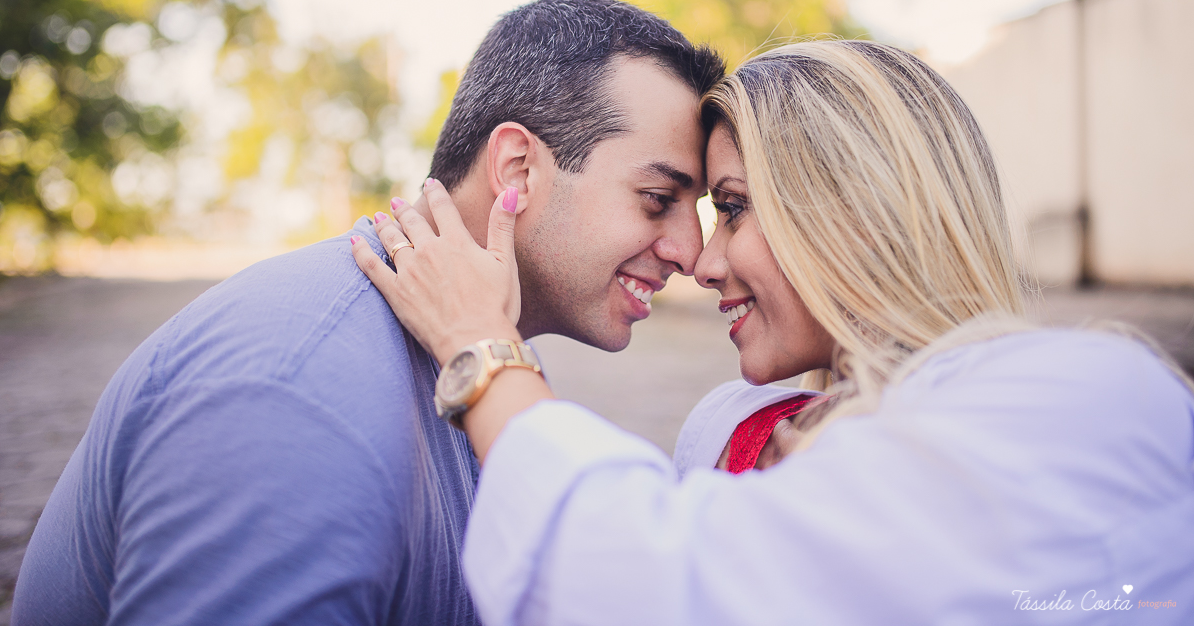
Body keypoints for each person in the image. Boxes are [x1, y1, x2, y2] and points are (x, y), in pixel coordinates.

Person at [353, 39, 1194, 625]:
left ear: (856, 212)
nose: (701, 261)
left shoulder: (1084, 400)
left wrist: (483, 350)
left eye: (735, 208)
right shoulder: (731, 426)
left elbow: (637, 585)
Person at [11, 0, 724, 626]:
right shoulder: (296, 394)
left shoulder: (482, 356)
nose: (692, 252)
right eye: (658, 200)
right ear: (517, 170)